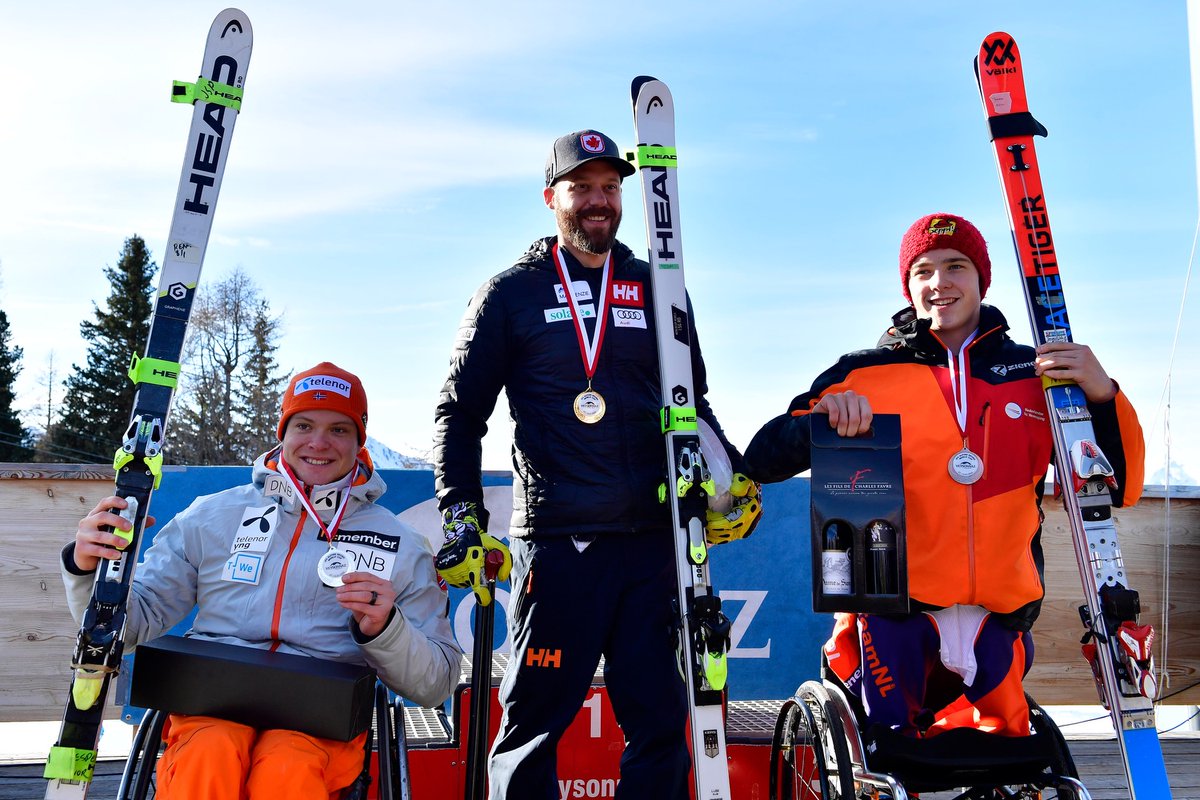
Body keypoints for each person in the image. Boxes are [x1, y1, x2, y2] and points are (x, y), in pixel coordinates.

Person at [431, 129, 762, 799]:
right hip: (559, 545)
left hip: (654, 544)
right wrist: (461, 517)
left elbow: (690, 402)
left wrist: (729, 481)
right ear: (552, 198)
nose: (598, 201)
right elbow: (459, 414)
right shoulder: (510, 294)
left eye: (610, 188)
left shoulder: (659, 287)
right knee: (532, 730)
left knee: (663, 724)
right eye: (581, 188)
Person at [744, 213, 1145, 738]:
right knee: (889, 760)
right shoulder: (862, 372)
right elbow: (762, 460)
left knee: (1009, 756)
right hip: (894, 614)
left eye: (956, 266)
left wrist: (1103, 394)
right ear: (908, 287)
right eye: (923, 271)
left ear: (982, 279)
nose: (940, 283)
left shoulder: (1039, 373)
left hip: (1000, 614)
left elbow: (1120, 486)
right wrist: (820, 425)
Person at [63, 362, 461, 799]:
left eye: (339, 429)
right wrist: (90, 569)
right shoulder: (212, 515)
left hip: (319, 718)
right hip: (212, 702)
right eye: (304, 424)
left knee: (287, 768)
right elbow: (131, 625)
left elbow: (435, 684)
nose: (318, 443)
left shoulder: (401, 543)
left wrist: (386, 629)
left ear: (359, 440)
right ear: (283, 432)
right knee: (210, 754)